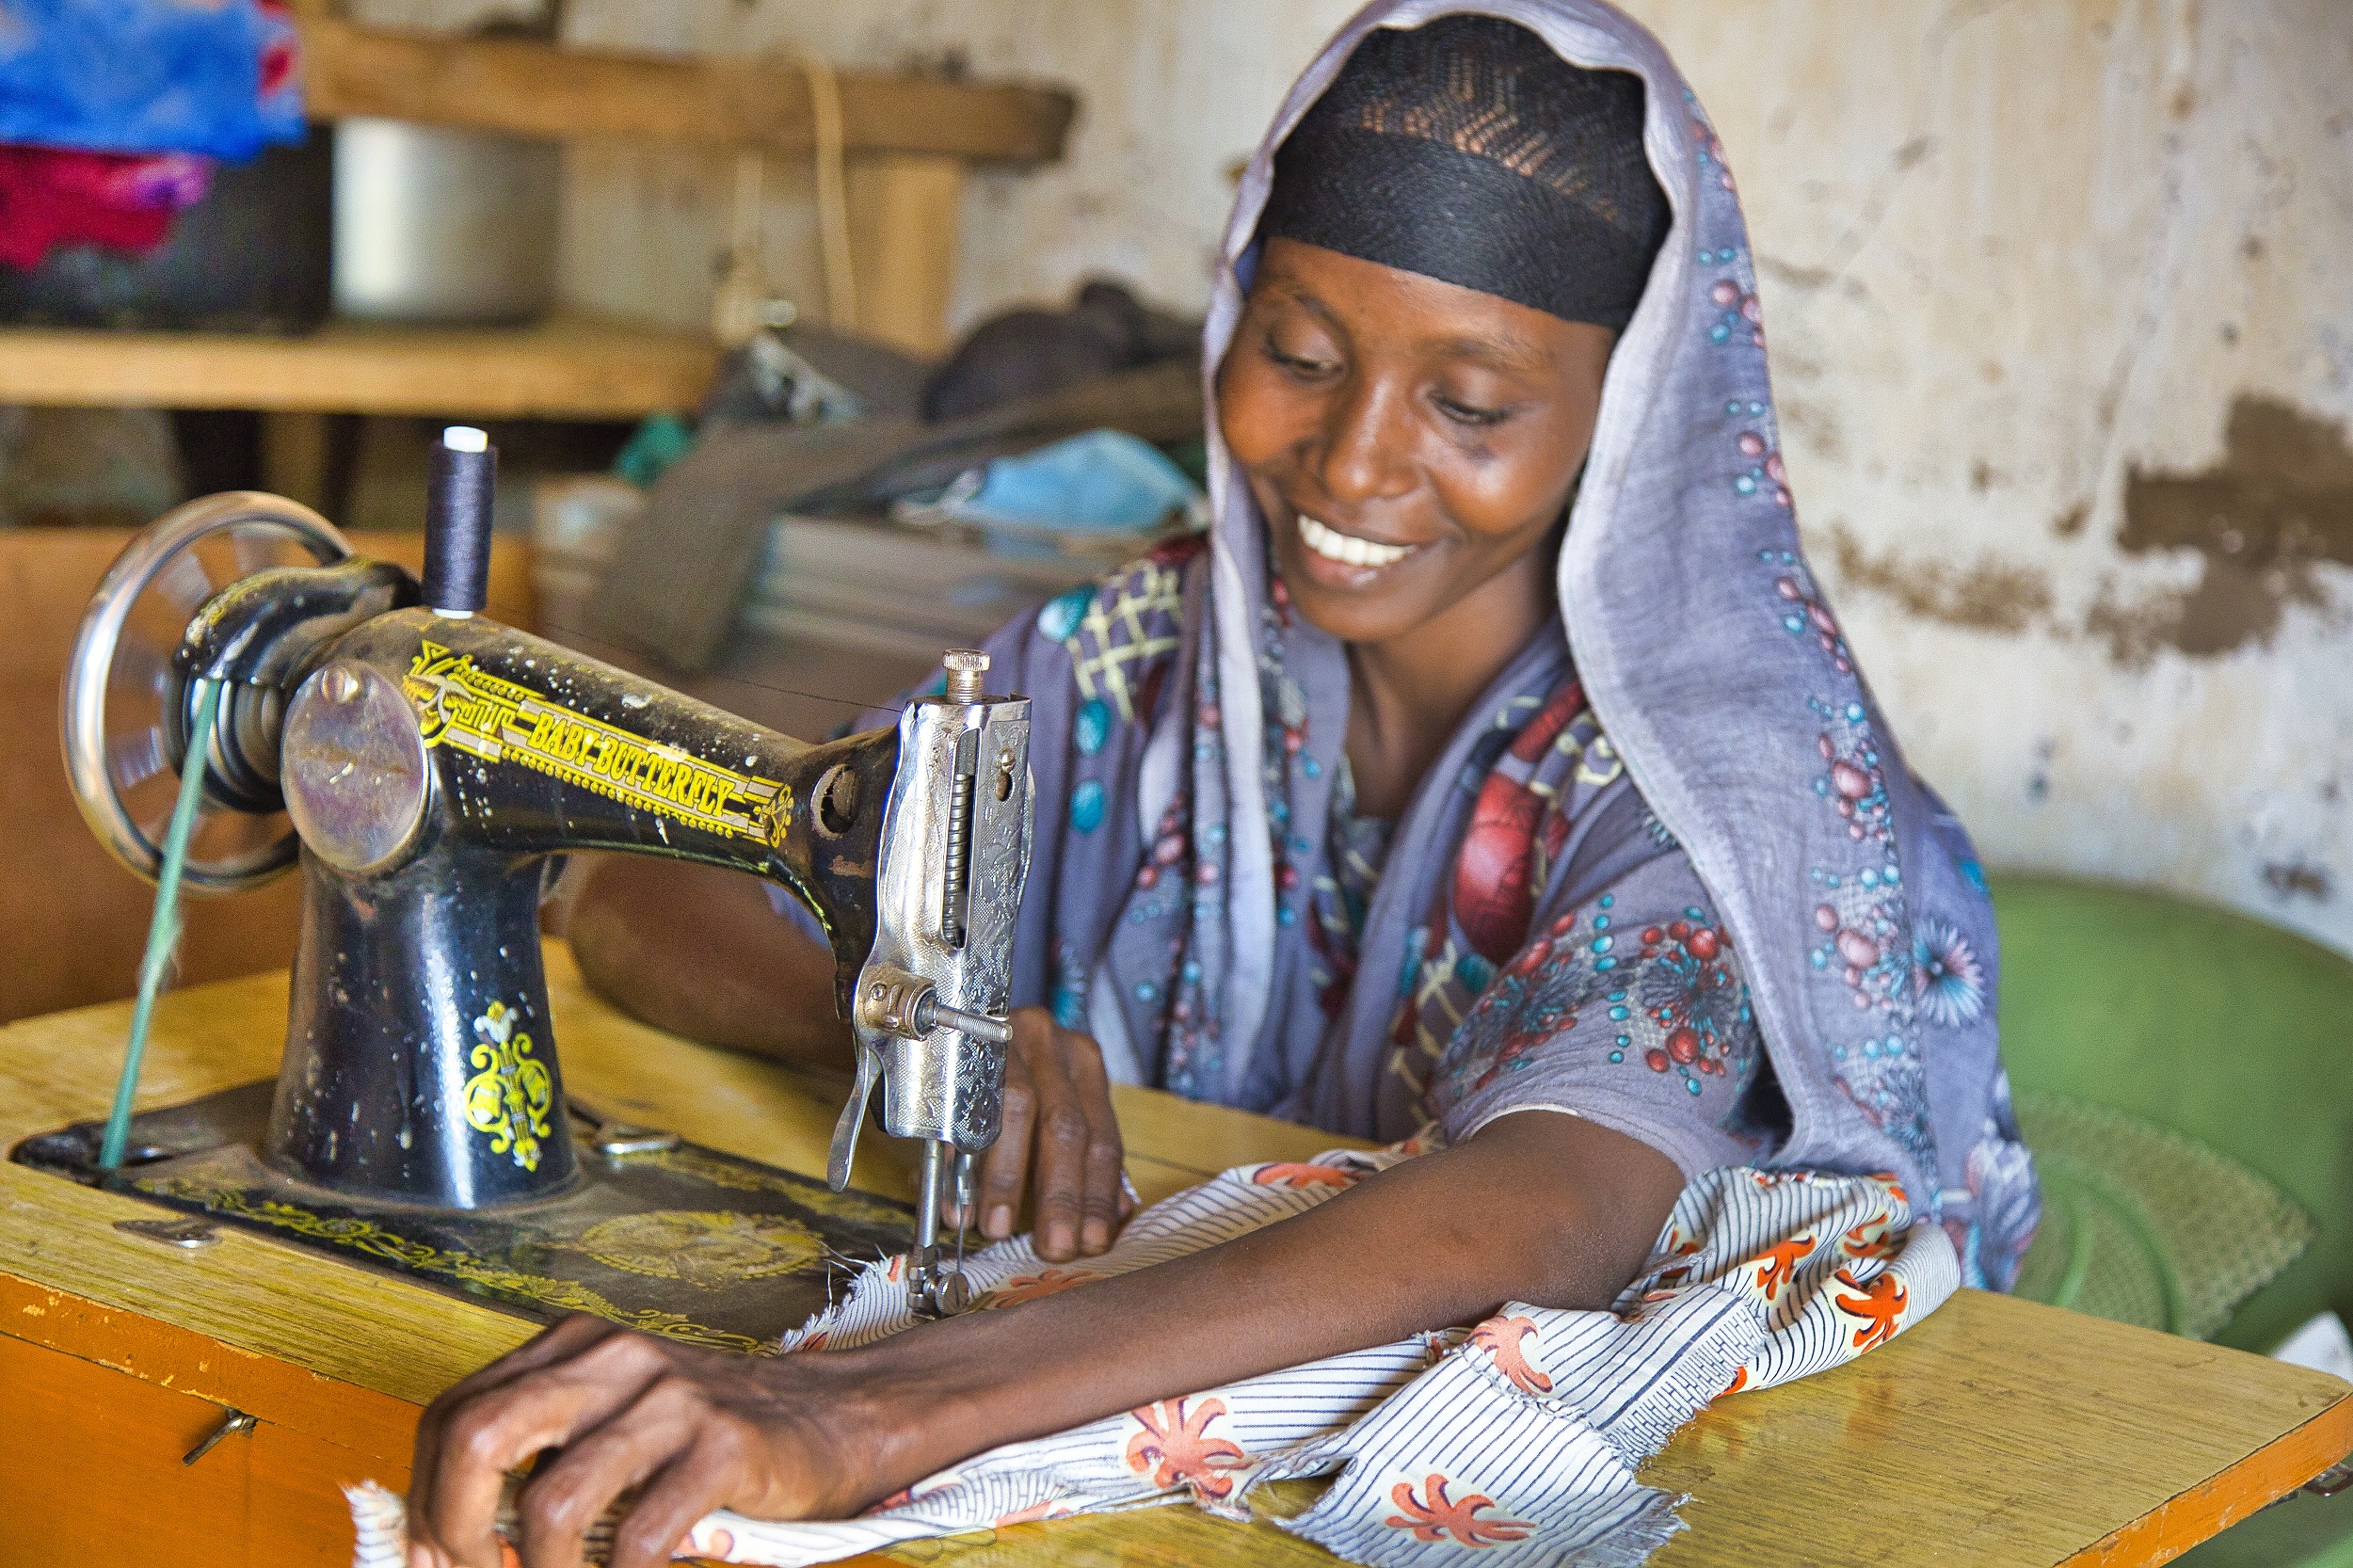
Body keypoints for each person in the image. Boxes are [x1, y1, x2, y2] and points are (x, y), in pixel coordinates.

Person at [406, 6, 2038, 1565]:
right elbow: (640, 889)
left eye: (1469, 404)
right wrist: (910, 1020)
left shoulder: (1732, 788)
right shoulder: (1150, 650)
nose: (1352, 462)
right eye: (1300, 350)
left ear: (1630, 420)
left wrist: (855, 1406)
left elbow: (1547, 1208)